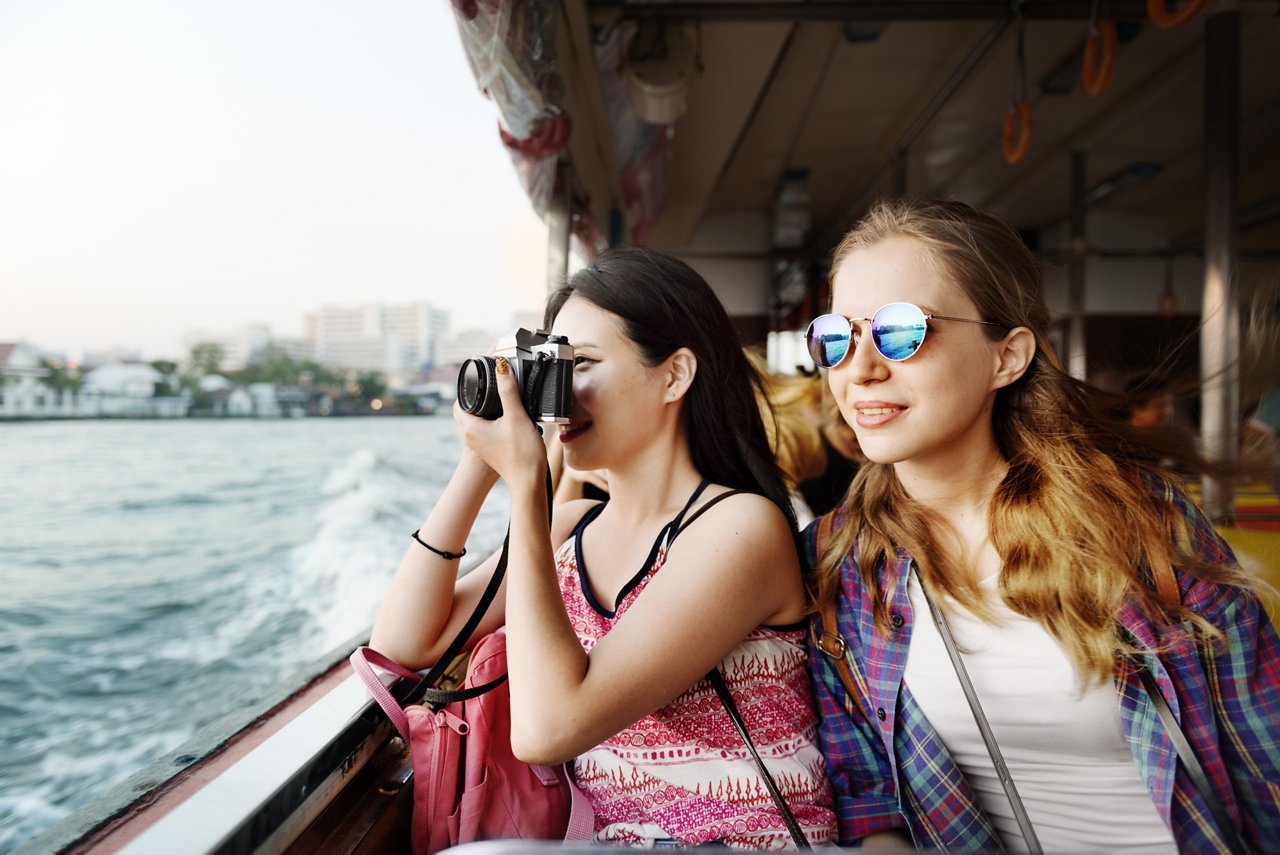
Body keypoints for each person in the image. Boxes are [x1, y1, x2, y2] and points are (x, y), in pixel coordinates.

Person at [801, 198, 1279, 852]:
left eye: (902, 331)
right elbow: (867, 796)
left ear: (1008, 355)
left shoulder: (1142, 524)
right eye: (836, 336)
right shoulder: (839, 561)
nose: (859, 369)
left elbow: (1264, 752)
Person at [370, 246, 835, 848]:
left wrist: (526, 484)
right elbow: (405, 642)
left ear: (674, 375)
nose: (557, 395)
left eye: (581, 363)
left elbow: (549, 728)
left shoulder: (740, 528)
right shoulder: (570, 528)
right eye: (553, 367)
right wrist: (478, 463)